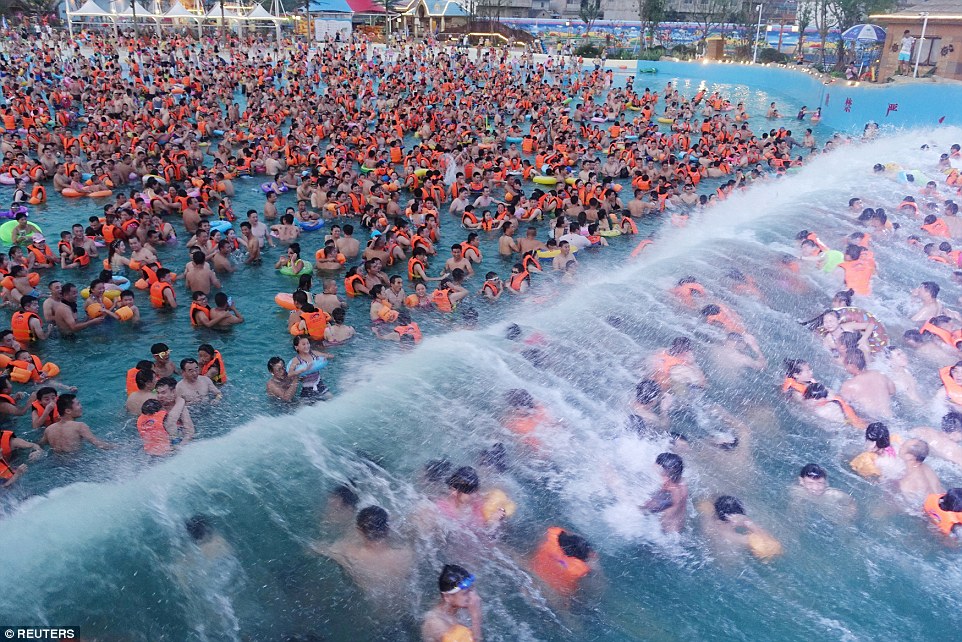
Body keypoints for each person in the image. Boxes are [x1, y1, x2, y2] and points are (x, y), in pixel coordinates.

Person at [311, 505, 415, 608]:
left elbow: (315, 549)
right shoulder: (406, 553)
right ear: (387, 528)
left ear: (359, 530)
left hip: (373, 613)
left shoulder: (350, 554)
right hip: (403, 612)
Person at [699, 495, 782, 560]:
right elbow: (776, 550)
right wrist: (749, 523)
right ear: (734, 519)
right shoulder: (738, 539)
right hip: (731, 571)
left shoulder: (707, 520)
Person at [529, 527, 598, 602]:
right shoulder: (580, 570)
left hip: (532, 576)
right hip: (553, 595)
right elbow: (594, 589)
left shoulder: (551, 535)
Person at [421, 564, 482, 642]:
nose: (471, 595)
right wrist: (475, 616)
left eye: (471, 589)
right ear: (447, 597)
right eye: (465, 593)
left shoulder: (452, 606)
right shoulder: (437, 624)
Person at [38, 394, 114, 453]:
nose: (81, 407)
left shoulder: (49, 429)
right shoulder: (79, 426)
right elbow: (99, 444)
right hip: (75, 465)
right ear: (68, 411)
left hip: (56, 464)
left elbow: (40, 445)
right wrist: (121, 447)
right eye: (78, 404)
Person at [642, 452, 688, 533]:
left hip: (663, 539)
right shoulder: (682, 484)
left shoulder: (668, 492)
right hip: (676, 534)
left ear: (664, 471)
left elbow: (643, 510)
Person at [288, 336, 333, 402]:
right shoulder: (296, 360)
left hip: (319, 383)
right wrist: (304, 369)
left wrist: (325, 358)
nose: (307, 346)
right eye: (303, 344)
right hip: (307, 388)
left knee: (330, 397)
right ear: (296, 347)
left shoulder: (314, 354)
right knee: (305, 407)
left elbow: (330, 356)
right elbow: (290, 374)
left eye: (308, 343)